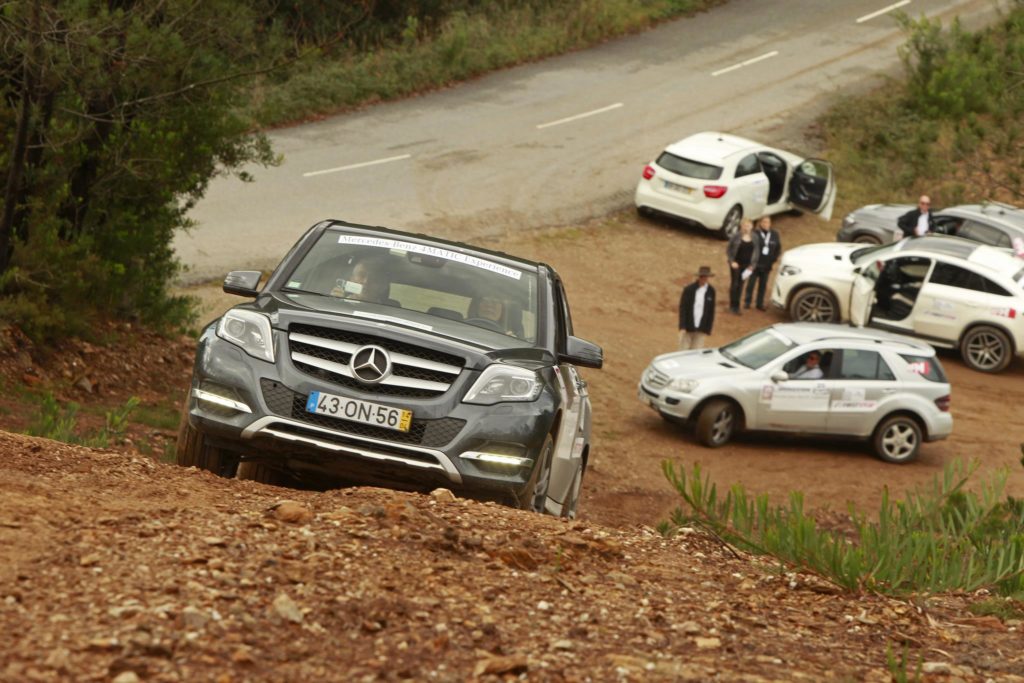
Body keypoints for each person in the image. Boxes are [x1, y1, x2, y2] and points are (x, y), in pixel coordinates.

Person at [745, 216, 781, 311]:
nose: (766, 224)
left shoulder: (774, 234)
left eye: (768, 222)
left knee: (763, 285)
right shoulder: (755, 234)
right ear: (760, 223)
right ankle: (747, 302)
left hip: (767, 265)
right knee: (751, 284)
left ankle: (759, 304)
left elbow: (778, 249)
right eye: (764, 222)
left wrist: (773, 260)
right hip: (755, 264)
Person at [678, 266, 715, 350]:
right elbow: (683, 308)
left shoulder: (711, 291)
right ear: (699, 277)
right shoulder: (689, 290)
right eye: (702, 276)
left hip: (701, 328)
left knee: (696, 353)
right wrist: (682, 326)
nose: (704, 279)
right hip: (688, 326)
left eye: (705, 277)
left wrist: (708, 328)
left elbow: (711, 311)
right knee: (683, 351)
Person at [726, 219, 758, 314]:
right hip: (736, 264)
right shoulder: (736, 236)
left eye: (748, 225)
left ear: (752, 226)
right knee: (735, 284)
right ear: (741, 226)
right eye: (744, 225)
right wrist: (732, 261)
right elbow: (729, 249)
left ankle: (737, 306)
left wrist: (752, 265)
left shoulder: (755, 238)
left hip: (747, 265)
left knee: (741, 285)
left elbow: (757, 252)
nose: (746, 227)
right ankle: (732, 305)